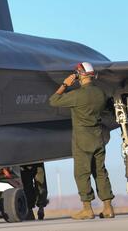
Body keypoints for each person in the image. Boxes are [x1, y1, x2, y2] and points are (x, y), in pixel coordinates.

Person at [49, 62, 115, 220]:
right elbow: (108, 108)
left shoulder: (77, 95)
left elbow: (53, 100)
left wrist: (65, 84)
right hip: (98, 137)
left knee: (82, 173)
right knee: (100, 172)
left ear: (79, 75)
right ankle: (108, 208)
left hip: (82, 139)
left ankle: (87, 209)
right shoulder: (101, 93)